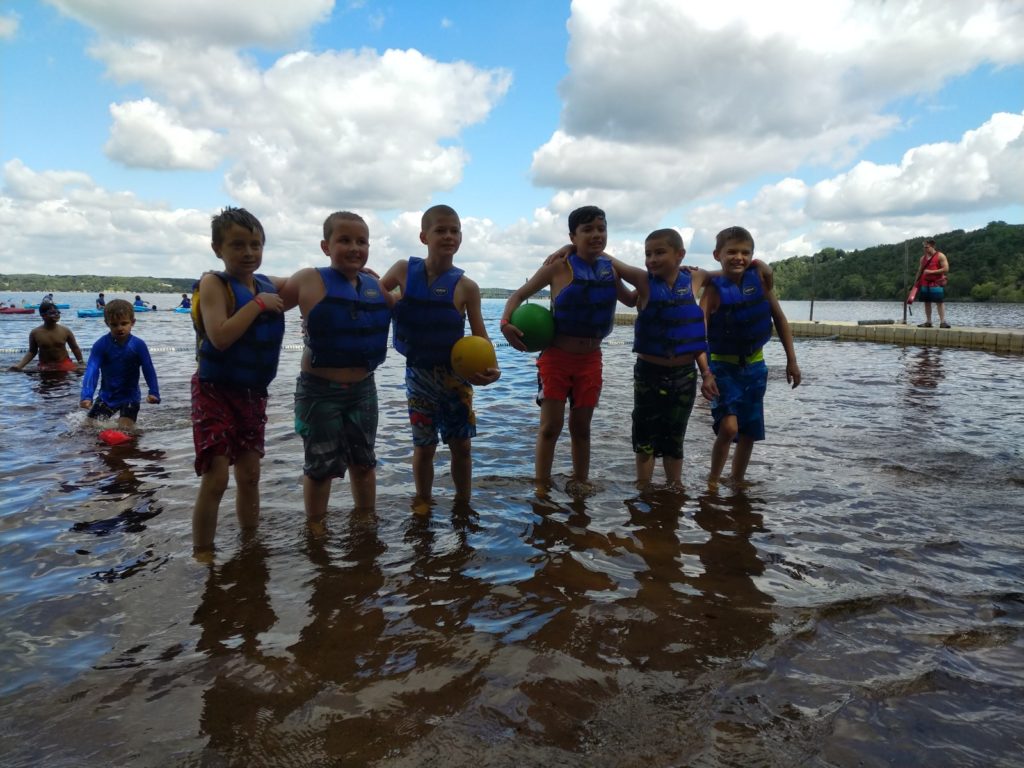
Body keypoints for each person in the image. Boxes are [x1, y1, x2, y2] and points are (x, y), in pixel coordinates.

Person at [500, 205, 631, 494]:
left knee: (581, 428)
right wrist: (505, 323)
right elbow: (519, 294)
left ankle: (580, 480)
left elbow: (633, 300)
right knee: (550, 427)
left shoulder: (611, 271)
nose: (596, 234)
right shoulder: (559, 266)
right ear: (573, 235)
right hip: (557, 359)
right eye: (587, 230)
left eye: (601, 229)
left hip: (590, 360)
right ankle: (541, 486)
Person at [380, 204, 500, 508]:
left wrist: (492, 370)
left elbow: (481, 337)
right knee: (424, 447)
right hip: (418, 376)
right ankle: (423, 502)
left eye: (455, 231)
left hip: (455, 381)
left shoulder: (467, 287)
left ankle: (463, 504)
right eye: (441, 230)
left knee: (462, 446)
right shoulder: (402, 271)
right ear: (424, 236)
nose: (449, 236)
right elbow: (371, 301)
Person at [281, 211, 394, 526]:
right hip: (319, 391)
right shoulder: (308, 279)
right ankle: (316, 528)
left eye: (361, 241)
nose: (354, 247)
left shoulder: (373, 284)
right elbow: (273, 300)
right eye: (344, 240)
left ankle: (365, 519)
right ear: (325, 246)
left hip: (363, 390)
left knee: (364, 462)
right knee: (319, 468)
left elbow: (402, 307)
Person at [191, 206, 293, 554]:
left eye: (255, 244)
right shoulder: (214, 283)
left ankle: (250, 544)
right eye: (237, 245)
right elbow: (219, 336)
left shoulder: (266, 285)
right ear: (217, 249)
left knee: (250, 474)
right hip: (215, 390)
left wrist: (356, 273)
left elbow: (307, 282)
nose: (248, 253)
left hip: (252, 393)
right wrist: (258, 306)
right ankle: (203, 553)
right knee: (217, 475)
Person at [605, 229, 718, 489]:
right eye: (648, 254)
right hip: (649, 373)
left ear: (679, 255)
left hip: (684, 375)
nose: (652, 259)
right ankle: (643, 486)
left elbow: (727, 273)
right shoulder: (644, 282)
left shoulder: (694, 279)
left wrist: (760, 267)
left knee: (675, 435)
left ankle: (674, 486)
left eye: (659, 252)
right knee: (644, 435)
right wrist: (569, 249)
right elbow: (610, 261)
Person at [700, 226, 800, 487]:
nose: (738, 257)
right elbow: (698, 332)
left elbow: (779, 318)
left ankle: (736, 479)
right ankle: (712, 481)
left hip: (756, 367)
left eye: (745, 253)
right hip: (723, 368)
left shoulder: (760, 282)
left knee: (749, 431)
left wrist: (792, 360)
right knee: (730, 427)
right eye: (731, 251)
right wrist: (706, 372)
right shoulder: (713, 290)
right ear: (717, 254)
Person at [79, 299, 160, 429]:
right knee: (86, 428)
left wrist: (154, 392)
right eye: (114, 324)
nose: (119, 328)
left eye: (124, 323)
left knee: (126, 430)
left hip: (130, 397)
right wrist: (87, 395)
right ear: (107, 324)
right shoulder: (101, 345)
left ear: (132, 322)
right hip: (106, 397)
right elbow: (92, 370)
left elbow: (148, 368)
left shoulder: (138, 345)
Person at [8, 301, 85, 372]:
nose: (56, 314)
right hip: (45, 365)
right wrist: (19, 366)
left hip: (64, 363)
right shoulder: (35, 333)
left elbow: (74, 348)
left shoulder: (65, 331)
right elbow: (32, 351)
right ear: (43, 315)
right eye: (52, 313)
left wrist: (81, 362)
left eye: (58, 312)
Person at [915, 239, 950, 328]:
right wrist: (916, 282)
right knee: (926, 302)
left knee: (939, 302)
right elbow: (920, 270)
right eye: (924, 247)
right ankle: (928, 322)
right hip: (925, 283)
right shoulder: (922, 258)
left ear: (933, 246)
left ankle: (942, 322)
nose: (925, 249)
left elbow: (946, 269)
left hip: (937, 282)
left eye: (927, 247)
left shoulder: (940, 256)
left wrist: (931, 272)